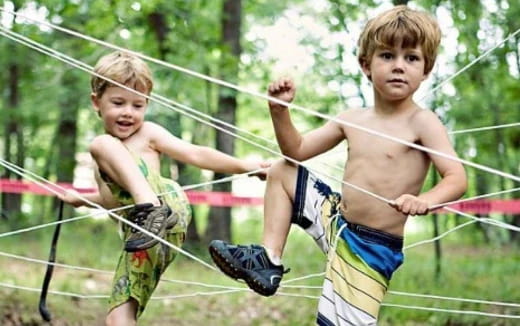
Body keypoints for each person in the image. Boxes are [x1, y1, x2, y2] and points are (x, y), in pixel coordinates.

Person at [208, 5, 467, 325]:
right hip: (336, 220)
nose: (399, 66)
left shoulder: (423, 122)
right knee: (282, 169)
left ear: (426, 69)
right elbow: (297, 151)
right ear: (366, 65)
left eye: (411, 58)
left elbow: (456, 177)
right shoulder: (351, 119)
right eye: (387, 55)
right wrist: (279, 112)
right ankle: (268, 259)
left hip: (372, 248)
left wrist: (424, 201)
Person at [58, 51, 268, 326]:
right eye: (118, 103)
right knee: (118, 316)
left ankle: (152, 208)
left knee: (100, 144)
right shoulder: (105, 160)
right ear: (96, 102)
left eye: (138, 105)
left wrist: (245, 166)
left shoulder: (144, 134)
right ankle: (150, 211)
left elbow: (196, 154)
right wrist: (84, 201)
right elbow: (116, 201)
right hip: (143, 234)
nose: (128, 113)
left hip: (167, 208)